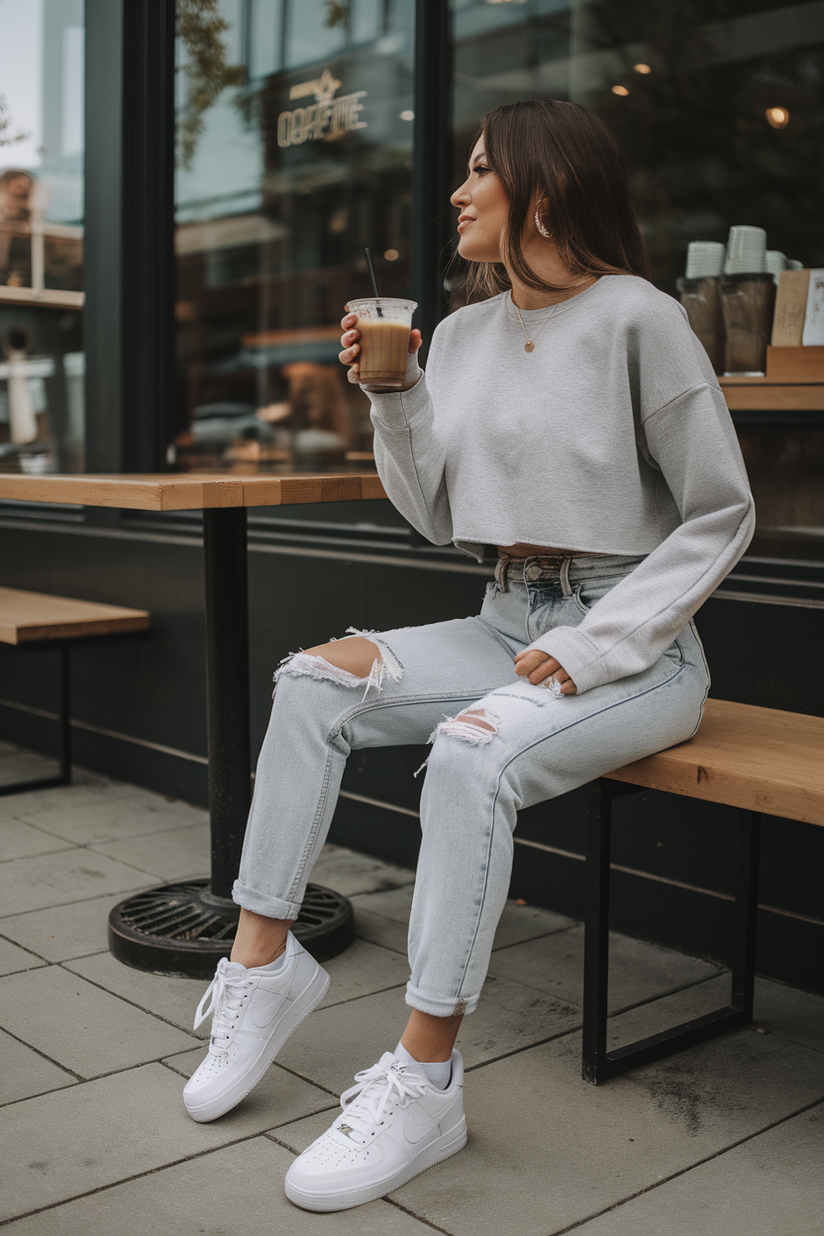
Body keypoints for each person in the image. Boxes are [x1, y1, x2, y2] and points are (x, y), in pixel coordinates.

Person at [181, 97, 754, 1212]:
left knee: (468, 754)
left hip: (633, 642)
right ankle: (260, 971)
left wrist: (596, 644)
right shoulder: (460, 330)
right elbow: (436, 514)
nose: (456, 190)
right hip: (502, 614)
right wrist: (391, 395)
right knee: (311, 680)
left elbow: (718, 512)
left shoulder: (639, 318)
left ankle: (426, 1076)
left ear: (540, 192)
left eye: (478, 171)